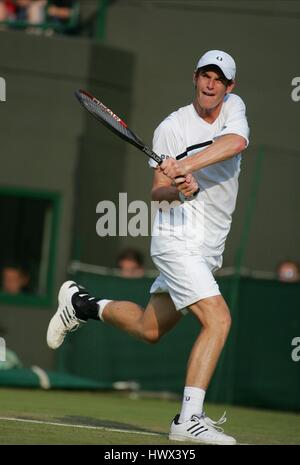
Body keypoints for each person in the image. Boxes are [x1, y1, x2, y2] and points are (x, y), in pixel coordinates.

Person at [47, 50, 249, 445]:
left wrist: (188, 169)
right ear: (195, 78)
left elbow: (236, 143)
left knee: (149, 328)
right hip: (177, 239)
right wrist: (176, 188)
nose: (211, 85)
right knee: (218, 319)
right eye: (205, 76)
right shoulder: (170, 128)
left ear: (229, 87)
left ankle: (82, 305)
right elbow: (158, 194)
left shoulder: (234, 111)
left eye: (219, 79)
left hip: (208, 246)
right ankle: (189, 419)